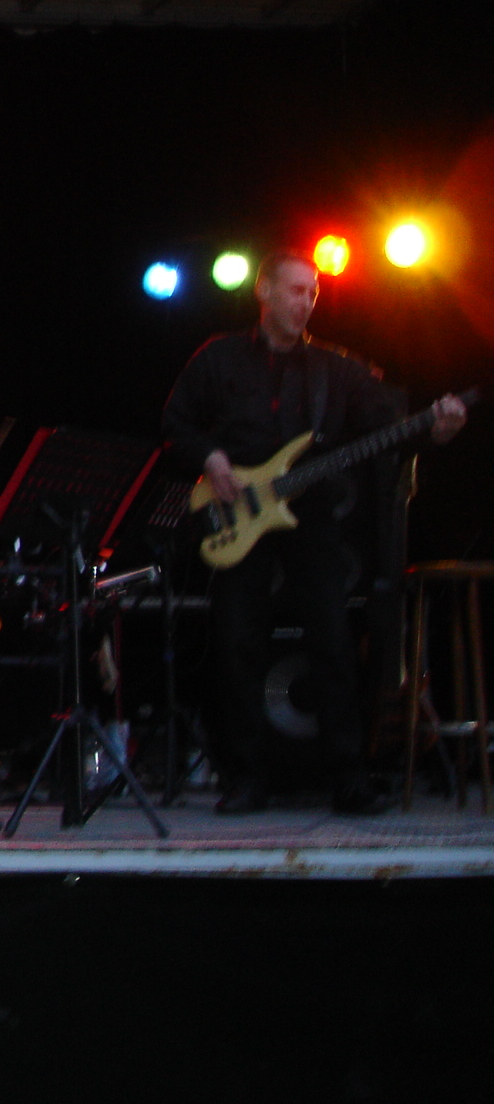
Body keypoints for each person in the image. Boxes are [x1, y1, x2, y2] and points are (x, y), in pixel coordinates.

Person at [163, 250, 467, 816]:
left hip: (313, 520)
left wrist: (435, 430)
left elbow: (389, 430)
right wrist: (211, 458)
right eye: (296, 290)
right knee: (238, 646)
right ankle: (245, 777)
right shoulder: (219, 358)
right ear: (264, 291)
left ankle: (349, 777)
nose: (306, 302)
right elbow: (175, 423)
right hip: (238, 512)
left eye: (313, 293)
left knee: (333, 644)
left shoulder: (337, 370)